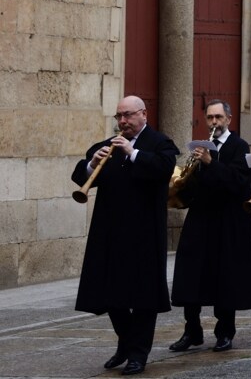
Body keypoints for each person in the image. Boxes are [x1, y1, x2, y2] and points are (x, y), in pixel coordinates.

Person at [73, 96, 179, 376]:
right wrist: (91, 163)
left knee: (143, 298)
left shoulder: (160, 143)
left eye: (128, 115)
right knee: (110, 294)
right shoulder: (107, 145)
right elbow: (79, 176)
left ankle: (138, 354)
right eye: (119, 116)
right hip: (109, 231)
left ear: (143, 114)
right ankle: (126, 343)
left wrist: (132, 153)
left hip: (144, 234)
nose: (123, 121)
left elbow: (163, 168)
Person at [169, 99, 251, 355]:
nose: (214, 123)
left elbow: (240, 183)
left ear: (229, 119)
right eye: (210, 118)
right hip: (201, 218)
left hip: (228, 221)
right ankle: (192, 330)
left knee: (225, 277)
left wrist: (211, 163)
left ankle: (225, 332)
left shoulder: (239, 146)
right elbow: (193, 185)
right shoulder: (200, 148)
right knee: (190, 274)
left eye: (218, 117)